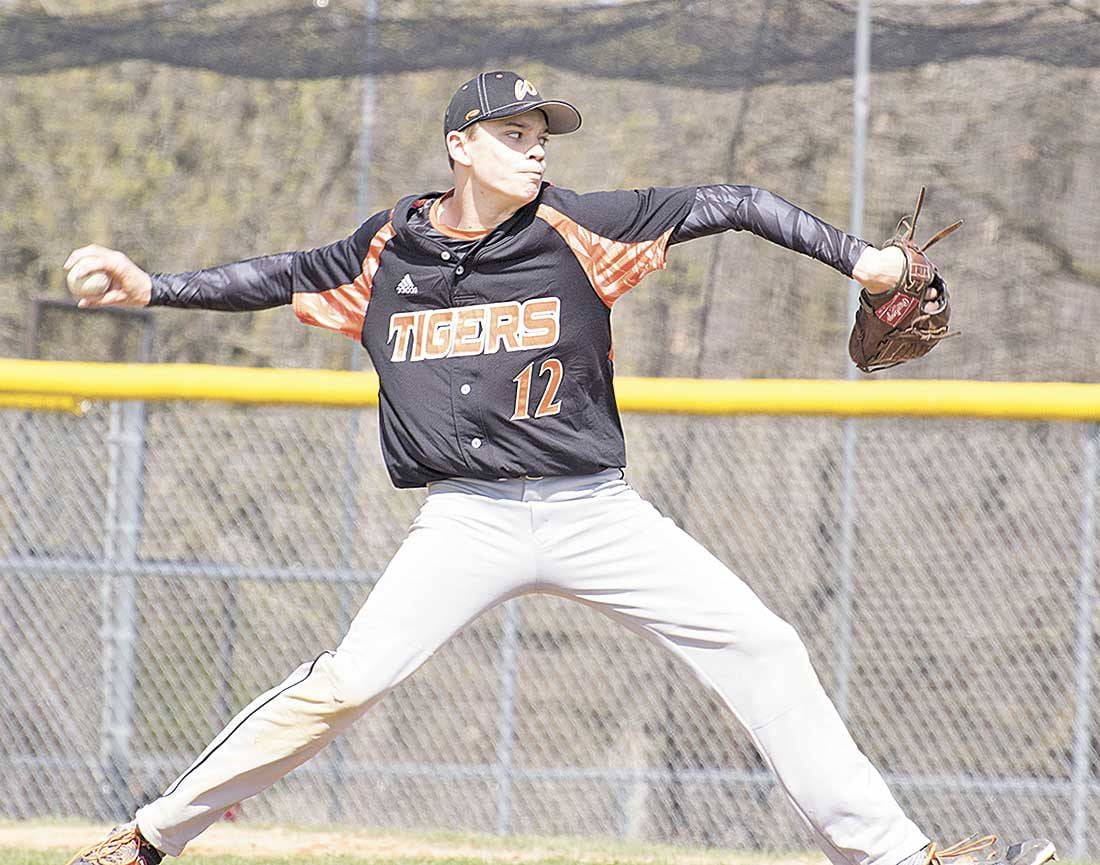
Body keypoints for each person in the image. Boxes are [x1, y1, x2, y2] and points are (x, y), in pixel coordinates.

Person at [63, 71, 1054, 865]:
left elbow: (736, 201)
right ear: (459, 145)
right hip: (466, 522)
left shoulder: (582, 226)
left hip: (595, 511)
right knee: (346, 683)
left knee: (762, 643)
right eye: (511, 132)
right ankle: (148, 837)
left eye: (541, 132)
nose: (534, 145)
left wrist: (863, 262)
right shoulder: (384, 250)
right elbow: (276, 277)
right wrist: (151, 285)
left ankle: (894, 855)